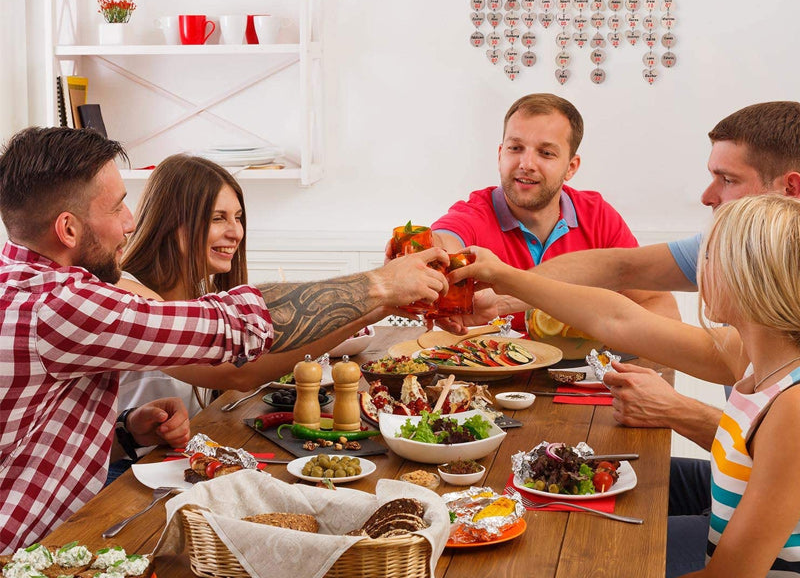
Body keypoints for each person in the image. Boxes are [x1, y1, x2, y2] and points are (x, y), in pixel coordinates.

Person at [0, 126, 450, 553]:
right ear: (68, 229)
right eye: (117, 206)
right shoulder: (61, 306)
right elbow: (236, 334)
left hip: (70, 525)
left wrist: (124, 430)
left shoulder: (24, 286)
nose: (130, 221)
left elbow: (36, 436)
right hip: (29, 551)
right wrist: (381, 286)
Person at [463, 100, 800, 576]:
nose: (695, 267)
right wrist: (507, 281)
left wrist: (677, 410)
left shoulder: (790, 404)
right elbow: (618, 317)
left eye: (712, 255)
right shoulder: (756, 351)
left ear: (754, 271)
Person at [116, 155, 374, 417]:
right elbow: (240, 373)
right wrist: (378, 297)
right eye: (218, 218)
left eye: (237, 218)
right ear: (170, 223)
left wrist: (376, 306)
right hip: (139, 458)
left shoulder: (201, 294)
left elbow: (255, 360)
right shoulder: (128, 295)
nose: (236, 232)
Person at [430, 93, 678, 330]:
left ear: (571, 167)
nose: (526, 164)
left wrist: (607, 343)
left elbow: (661, 307)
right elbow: (442, 244)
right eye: (515, 148)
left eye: (546, 153)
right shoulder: (475, 214)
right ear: (499, 155)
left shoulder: (598, 217)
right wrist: (428, 256)